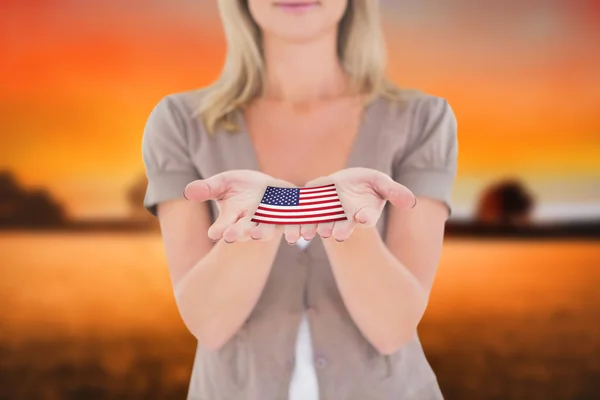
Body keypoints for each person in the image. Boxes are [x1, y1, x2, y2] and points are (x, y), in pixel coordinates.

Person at [141, 0, 458, 399]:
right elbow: (209, 322)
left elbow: (393, 327)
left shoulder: (424, 120)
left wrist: (345, 220)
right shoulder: (179, 122)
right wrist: (264, 217)